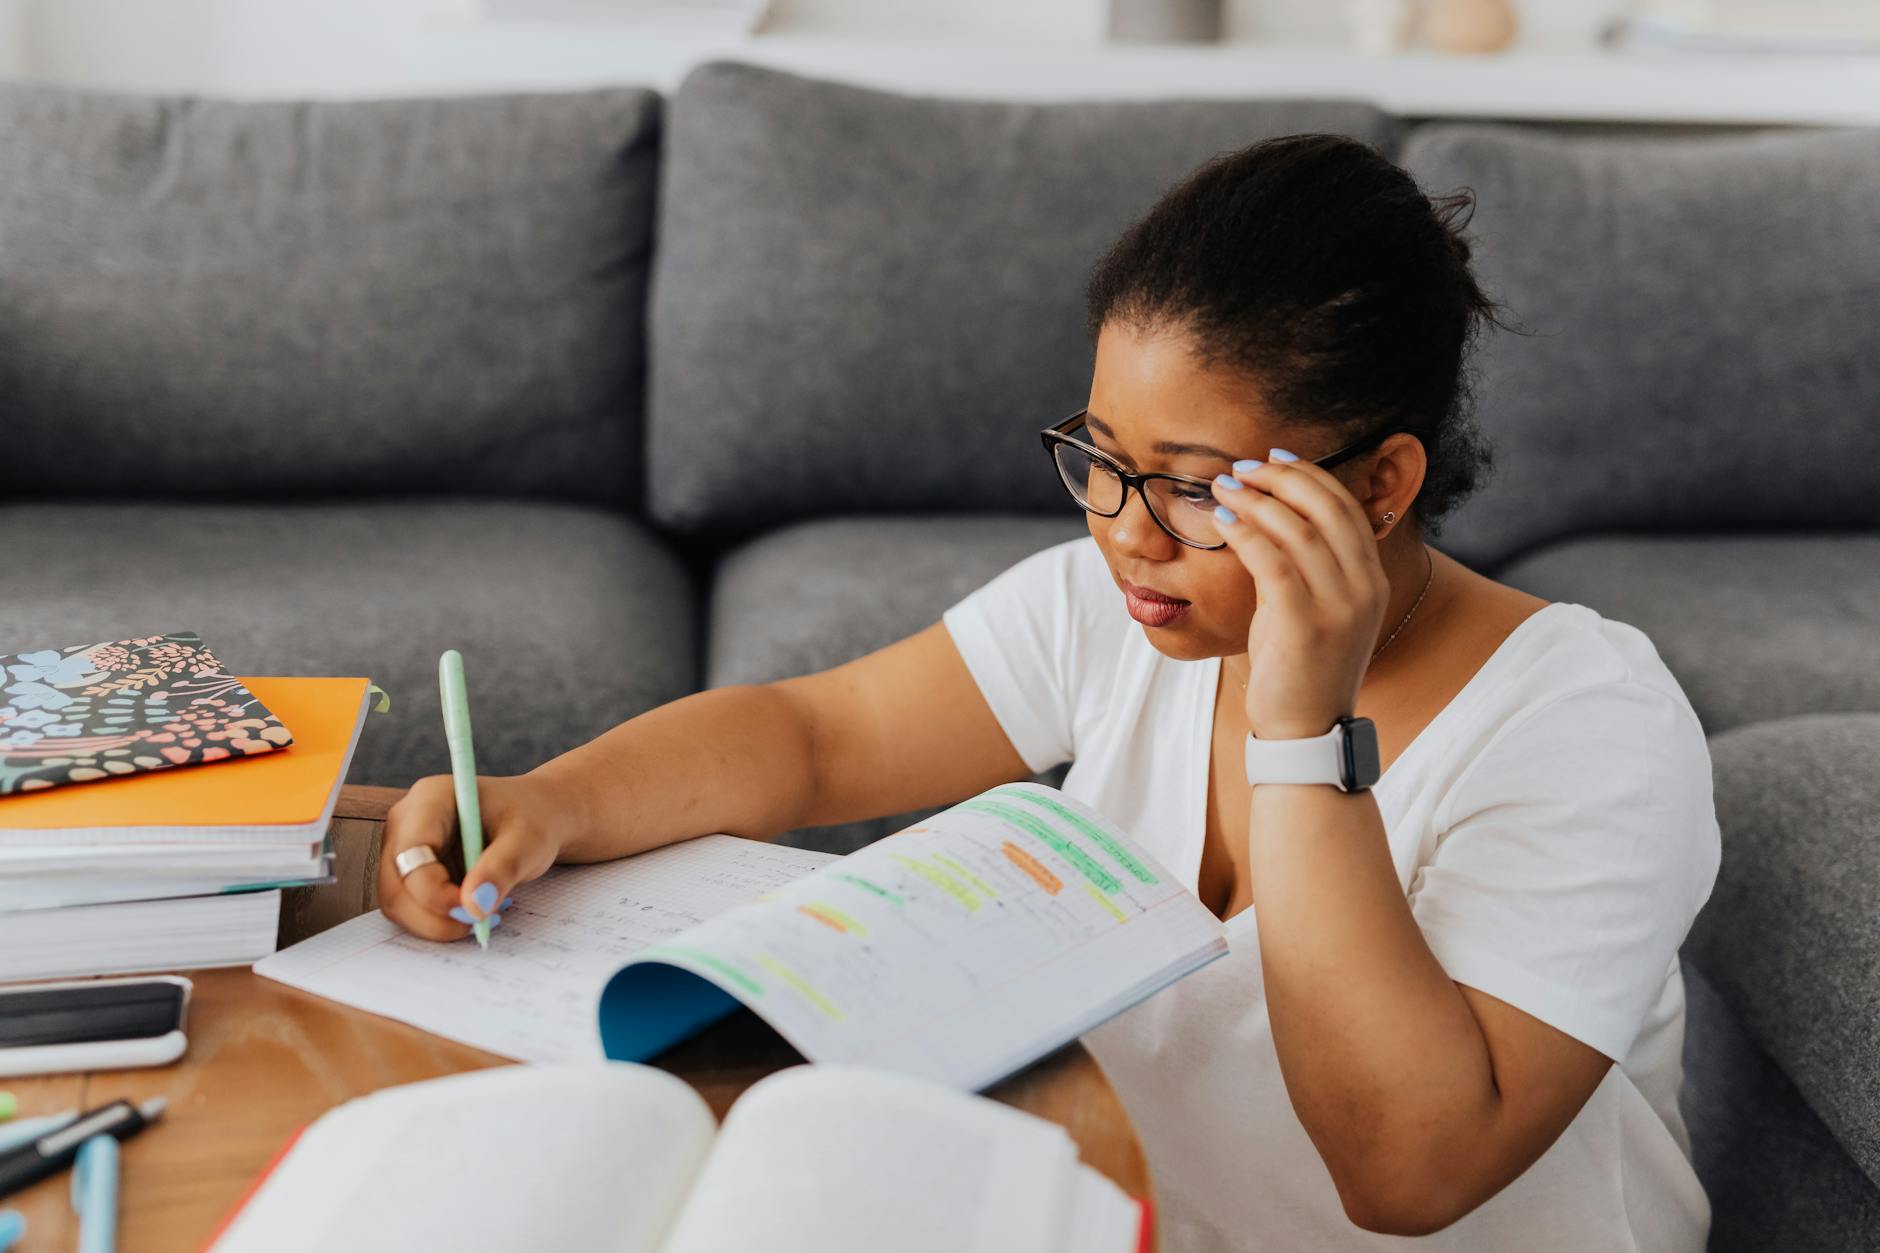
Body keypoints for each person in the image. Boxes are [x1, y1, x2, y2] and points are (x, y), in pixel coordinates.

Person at [378, 134, 1720, 1251]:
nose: (1126, 531)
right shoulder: (1124, 611)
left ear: (1377, 485)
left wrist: (1302, 728)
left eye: (1195, 485)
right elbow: (816, 736)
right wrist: (545, 798)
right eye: (1102, 456)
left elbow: (1411, 1171)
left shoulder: (1593, 728)